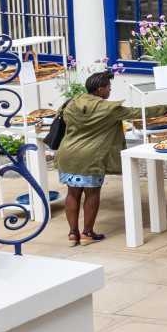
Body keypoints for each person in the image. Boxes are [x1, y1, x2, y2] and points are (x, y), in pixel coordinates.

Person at [52, 69, 129, 247]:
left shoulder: (71, 102)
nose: (110, 91)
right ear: (100, 89)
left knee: (72, 192)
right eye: (108, 87)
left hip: (68, 154)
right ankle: (87, 233)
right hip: (91, 157)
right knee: (92, 193)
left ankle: (72, 234)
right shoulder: (107, 108)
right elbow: (135, 113)